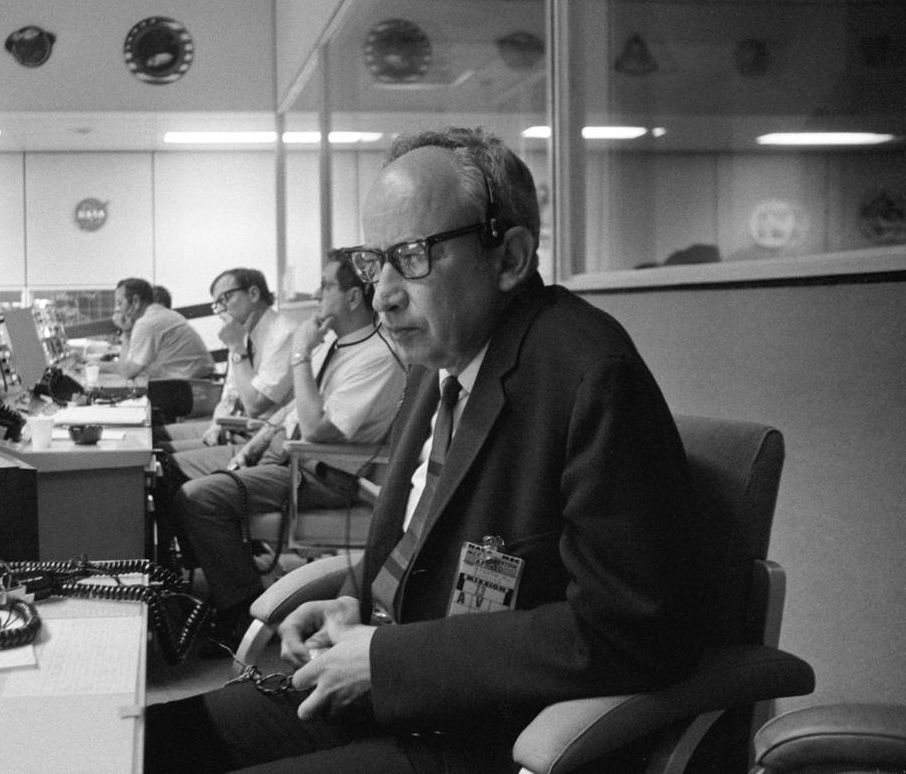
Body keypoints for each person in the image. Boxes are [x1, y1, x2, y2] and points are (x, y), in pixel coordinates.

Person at [145, 126, 709, 773]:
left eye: (411, 255)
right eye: (372, 260)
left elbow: (634, 630)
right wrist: (355, 601)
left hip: (477, 732)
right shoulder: (436, 363)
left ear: (510, 258)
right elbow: (417, 542)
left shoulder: (588, 373)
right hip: (390, 687)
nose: (381, 291)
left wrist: (388, 659)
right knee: (149, 741)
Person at [170, 251, 406, 648]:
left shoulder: (377, 356)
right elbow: (296, 406)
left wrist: (300, 351)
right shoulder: (341, 342)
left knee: (198, 498)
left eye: (327, 285)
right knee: (171, 472)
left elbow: (315, 428)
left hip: (323, 475)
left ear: (352, 297)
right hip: (293, 458)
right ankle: (208, 587)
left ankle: (240, 612)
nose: (317, 292)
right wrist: (258, 443)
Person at [156, 268, 296, 448]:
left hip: (259, 438)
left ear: (253, 293)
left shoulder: (285, 334)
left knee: (162, 455)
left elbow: (255, 406)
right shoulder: (241, 332)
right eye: (217, 304)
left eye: (225, 299)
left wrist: (237, 348)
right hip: (232, 427)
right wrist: (216, 425)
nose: (220, 310)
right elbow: (230, 395)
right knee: (155, 436)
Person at [106, 277, 214, 381]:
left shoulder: (146, 323)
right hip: (199, 382)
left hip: (190, 389)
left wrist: (126, 331)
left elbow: (127, 372)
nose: (117, 310)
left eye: (119, 303)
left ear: (135, 301)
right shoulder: (162, 313)